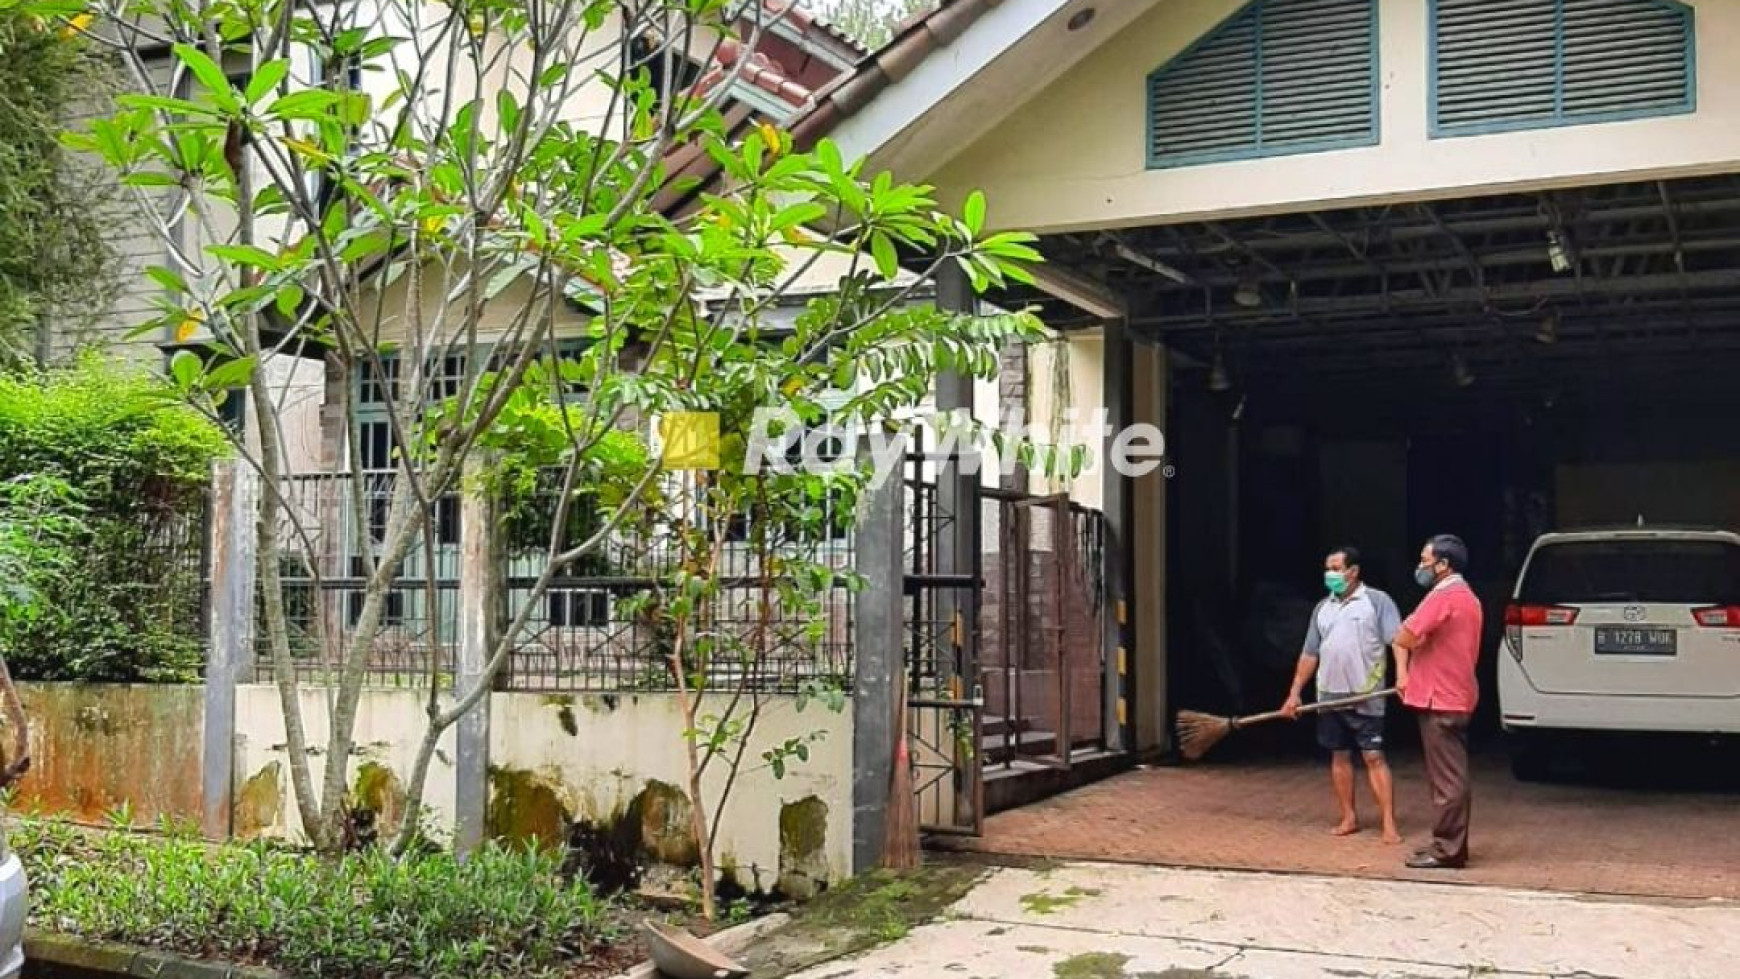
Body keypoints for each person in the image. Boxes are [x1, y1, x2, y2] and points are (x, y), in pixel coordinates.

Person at [1281, 547, 1404, 844]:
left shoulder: (1377, 601)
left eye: (1336, 567)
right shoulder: (1323, 608)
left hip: (1366, 695)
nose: (1330, 574)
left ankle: (1389, 823)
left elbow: (1398, 640)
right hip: (1329, 695)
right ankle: (1348, 816)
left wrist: (1403, 675)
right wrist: (1294, 693)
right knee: (1339, 756)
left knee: (1374, 756)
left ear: (1353, 571)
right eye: (1328, 568)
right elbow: (1309, 654)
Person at [1392, 534, 1483, 870]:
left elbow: (1406, 634)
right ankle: (1447, 843)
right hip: (1454, 693)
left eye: (1425, 561)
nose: (1420, 567)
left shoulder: (1444, 596)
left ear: (1444, 565)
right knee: (1448, 776)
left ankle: (1448, 849)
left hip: (1441, 697)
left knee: (1447, 780)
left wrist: (1403, 666)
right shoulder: (1467, 597)